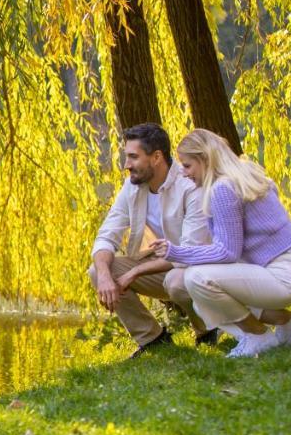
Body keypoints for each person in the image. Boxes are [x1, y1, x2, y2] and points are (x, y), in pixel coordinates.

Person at [152, 128, 291, 358]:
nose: (184, 173)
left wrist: (175, 252)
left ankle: (258, 336)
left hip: (282, 275)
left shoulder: (222, 189)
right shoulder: (246, 173)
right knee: (201, 302)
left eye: (187, 166)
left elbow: (227, 252)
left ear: (205, 159)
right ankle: (287, 323)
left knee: (196, 278)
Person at [89, 122, 215, 358]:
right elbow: (107, 234)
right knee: (98, 271)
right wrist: (106, 276)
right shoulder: (133, 186)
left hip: (197, 267)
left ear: (156, 157)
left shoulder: (189, 185)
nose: (126, 165)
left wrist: (135, 273)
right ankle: (154, 340)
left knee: (177, 282)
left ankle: (207, 329)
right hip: (161, 266)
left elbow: (189, 252)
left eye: (133, 157)